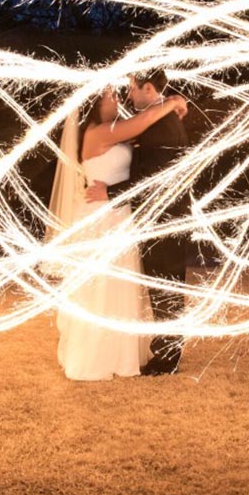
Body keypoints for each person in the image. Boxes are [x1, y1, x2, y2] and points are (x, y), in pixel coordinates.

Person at [49, 84, 188, 381]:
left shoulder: (118, 130)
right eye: (110, 96)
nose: (118, 99)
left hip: (120, 217)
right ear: (94, 106)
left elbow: (149, 138)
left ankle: (122, 354)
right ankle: (96, 357)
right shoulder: (98, 133)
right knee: (102, 288)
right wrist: (172, 101)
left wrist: (170, 105)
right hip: (102, 218)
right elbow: (143, 122)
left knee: (120, 288)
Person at [85, 69, 190, 375]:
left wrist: (111, 191)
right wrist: (172, 102)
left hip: (163, 216)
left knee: (164, 286)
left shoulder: (160, 124)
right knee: (162, 285)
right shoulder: (156, 120)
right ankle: (164, 349)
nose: (127, 96)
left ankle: (168, 356)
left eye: (131, 89)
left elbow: (151, 179)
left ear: (147, 88)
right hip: (157, 215)